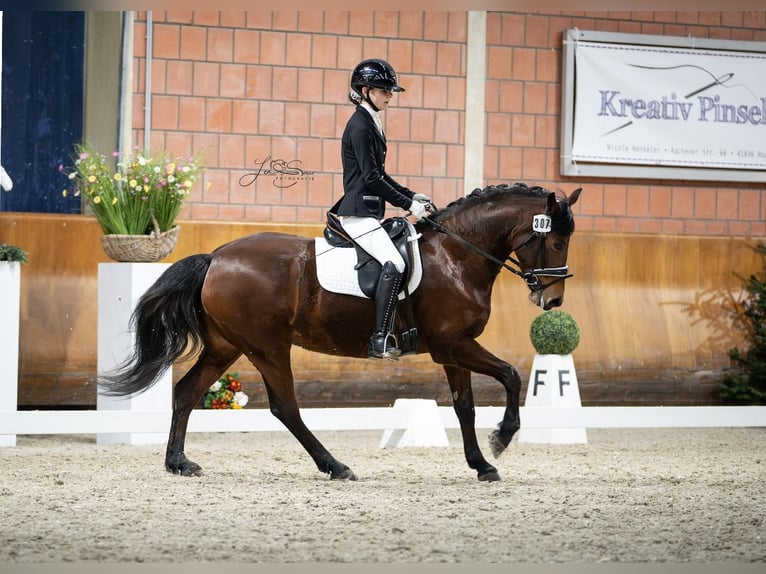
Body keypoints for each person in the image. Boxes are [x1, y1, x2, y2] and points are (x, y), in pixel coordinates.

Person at [333, 58, 431, 360]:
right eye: (384, 91)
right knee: (395, 263)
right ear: (366, 91)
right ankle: (379, 338)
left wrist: (412, 195)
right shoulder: (360, 125)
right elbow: (371, 178)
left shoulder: (370, 121)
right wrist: (407, 204)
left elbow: (381, 175)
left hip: (369, 211)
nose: (390, 96)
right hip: (357, 213)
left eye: (390, 91)